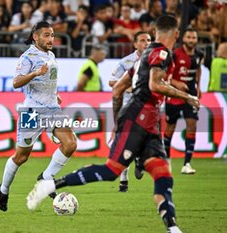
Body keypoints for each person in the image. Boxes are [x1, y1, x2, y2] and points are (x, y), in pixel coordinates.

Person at [26, 15, 200, 233]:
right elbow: (155, 85)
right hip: (139, 119)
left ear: (154, 33)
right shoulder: (162, 54)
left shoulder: (143, 57)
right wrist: (188, 96)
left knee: (163, 174)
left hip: (146, 123)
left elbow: (118, 89)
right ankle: (49, 185)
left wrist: (118, 122)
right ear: (176, 34)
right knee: (111, 171)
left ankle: (173, 228)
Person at [0, 21, 77, 212]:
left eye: (52, 35)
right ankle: (4, 189)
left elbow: (48, 81)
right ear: (36, 37)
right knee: (21, 157)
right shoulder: (28, 57)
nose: (51, 39)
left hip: (52, 110)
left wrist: (53, 95)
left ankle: (46, 177)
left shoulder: (51, 55)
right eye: (47, 35)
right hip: (31, 113)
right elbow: (16, 83)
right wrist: (34, 73)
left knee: (70, 143)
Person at [109, 31, 151, 192]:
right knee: (124, 141)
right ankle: (124, 179)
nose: (146, 43)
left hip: (149, 108)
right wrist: (128, 87)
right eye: (142, 40)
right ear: (135, 44)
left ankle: (140, 161)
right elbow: (112, 81)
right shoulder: (126, 62)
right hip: (129, 108)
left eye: (148, 40)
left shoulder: (155, 61)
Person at [164, 28, 204, 174]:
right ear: (184, 39)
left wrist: (199, 86)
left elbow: (198, 69)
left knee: (192, 125)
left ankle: (187, 164)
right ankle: (167, 160)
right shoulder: (175, 55)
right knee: (170, 128)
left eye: (194, 37)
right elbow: (166, 74)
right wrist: (176, 82)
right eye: (189, 37)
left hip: (190, 94)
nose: (192, 40)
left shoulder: (199, 54)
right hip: (174, 94)